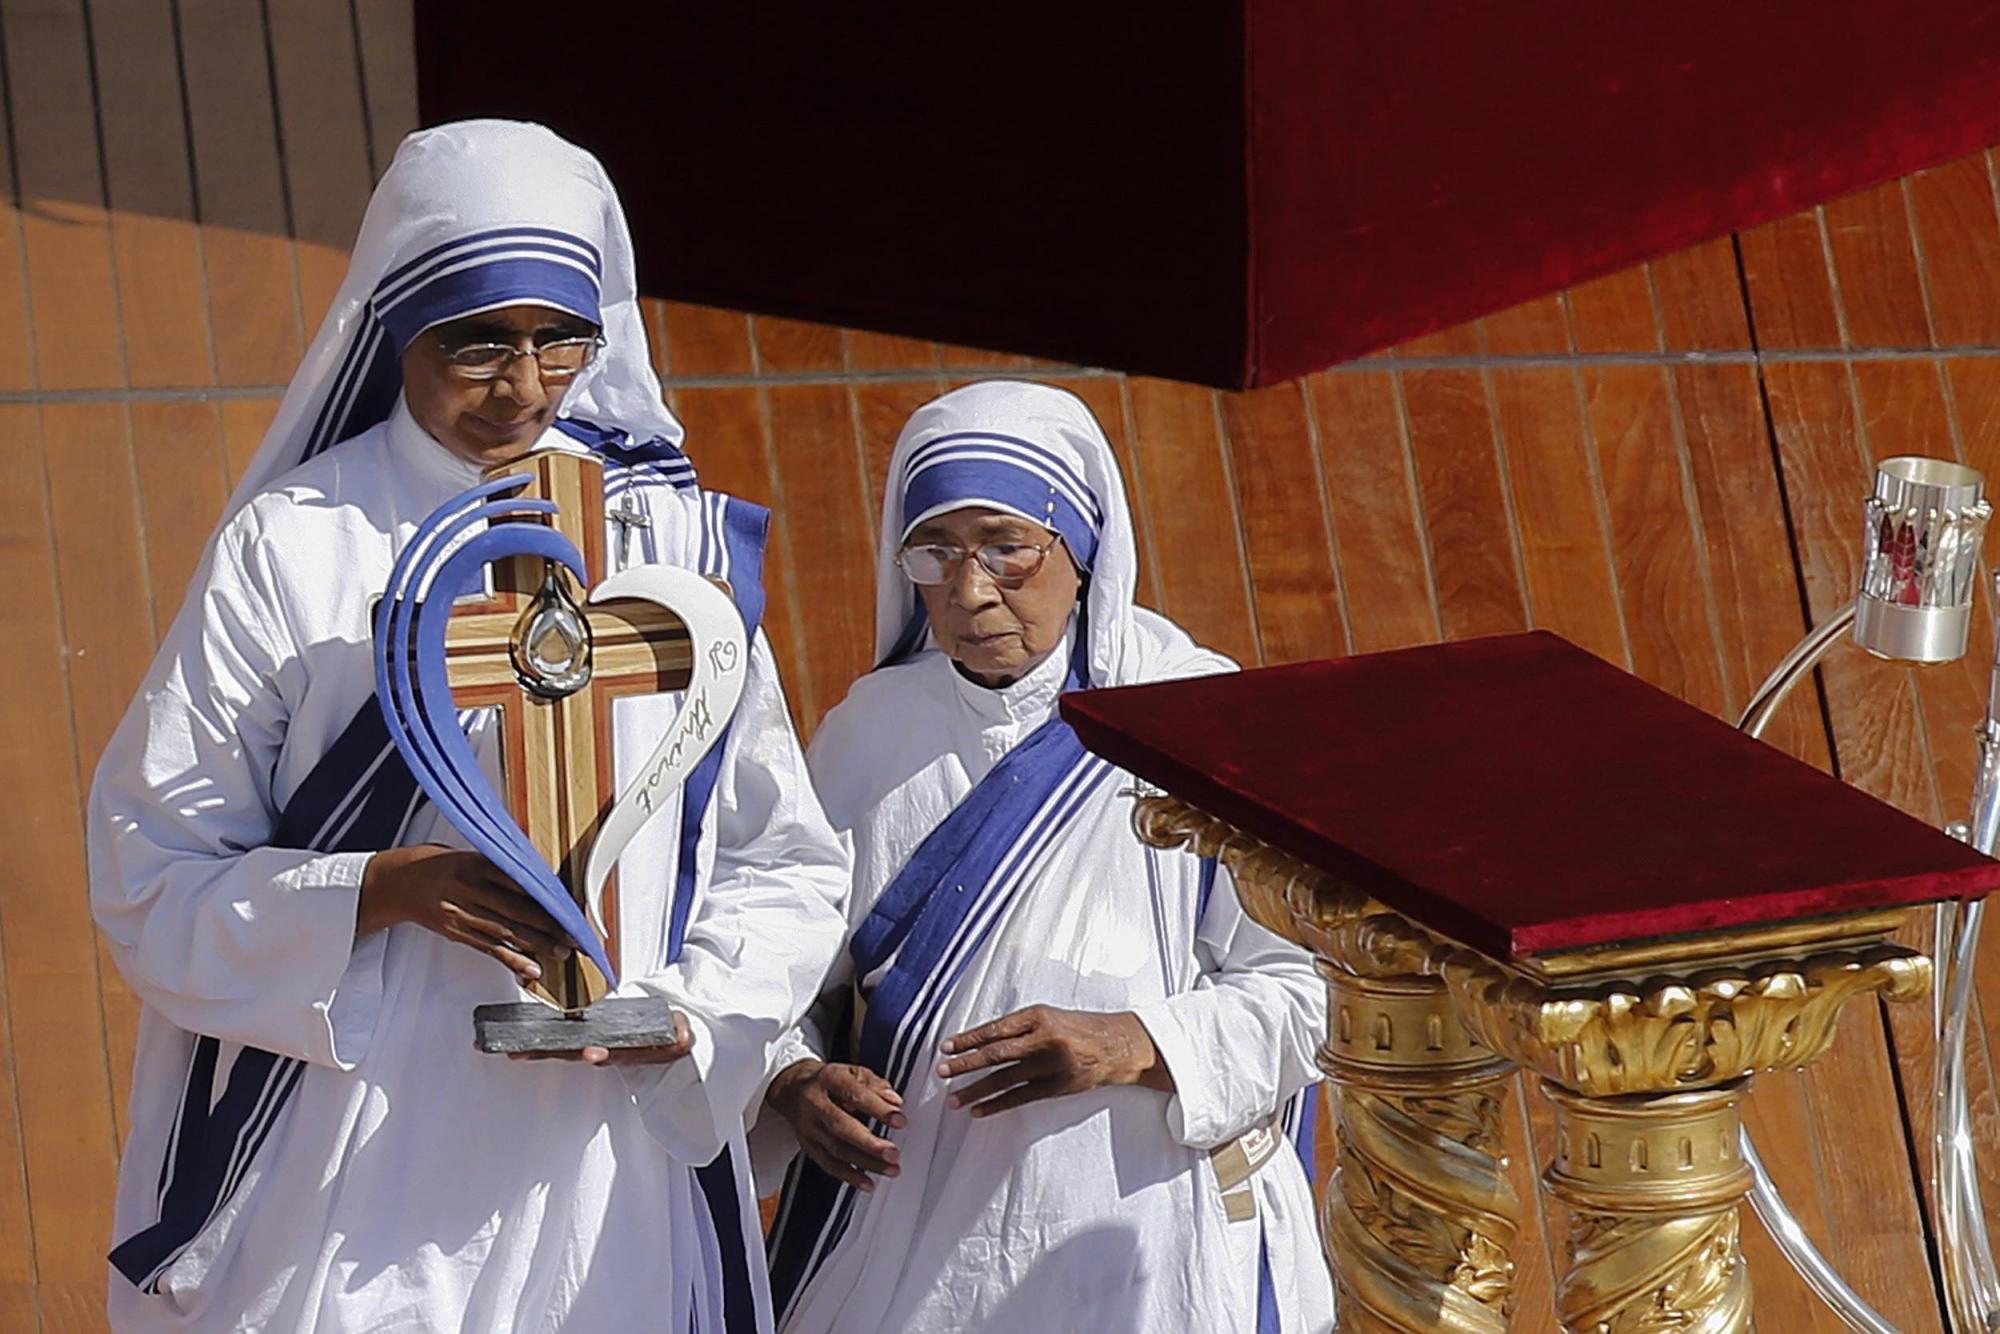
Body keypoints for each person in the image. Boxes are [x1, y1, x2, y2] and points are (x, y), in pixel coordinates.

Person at [87, 120, 849, 1332]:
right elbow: (149, 867)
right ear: (397, 327)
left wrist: (691, 1014)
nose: (525, 386)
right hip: (358, 1157)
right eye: (479, 343)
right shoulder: (296, 545)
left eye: (562, 342)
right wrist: (373, 887)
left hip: (609, 1166)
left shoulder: (666, 548)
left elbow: (782, 858)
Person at [757, 380, 1335, 1332]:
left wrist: (1134, 1043)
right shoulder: (867, 738)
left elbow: (1312, 996)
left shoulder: (1195, 722)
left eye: (1006, 548)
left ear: (1084, 549)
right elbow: (788, 978)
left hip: (1144, 1247)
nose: (969, 589)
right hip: (908, 1252)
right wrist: (795, 1078)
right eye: (935, 550)